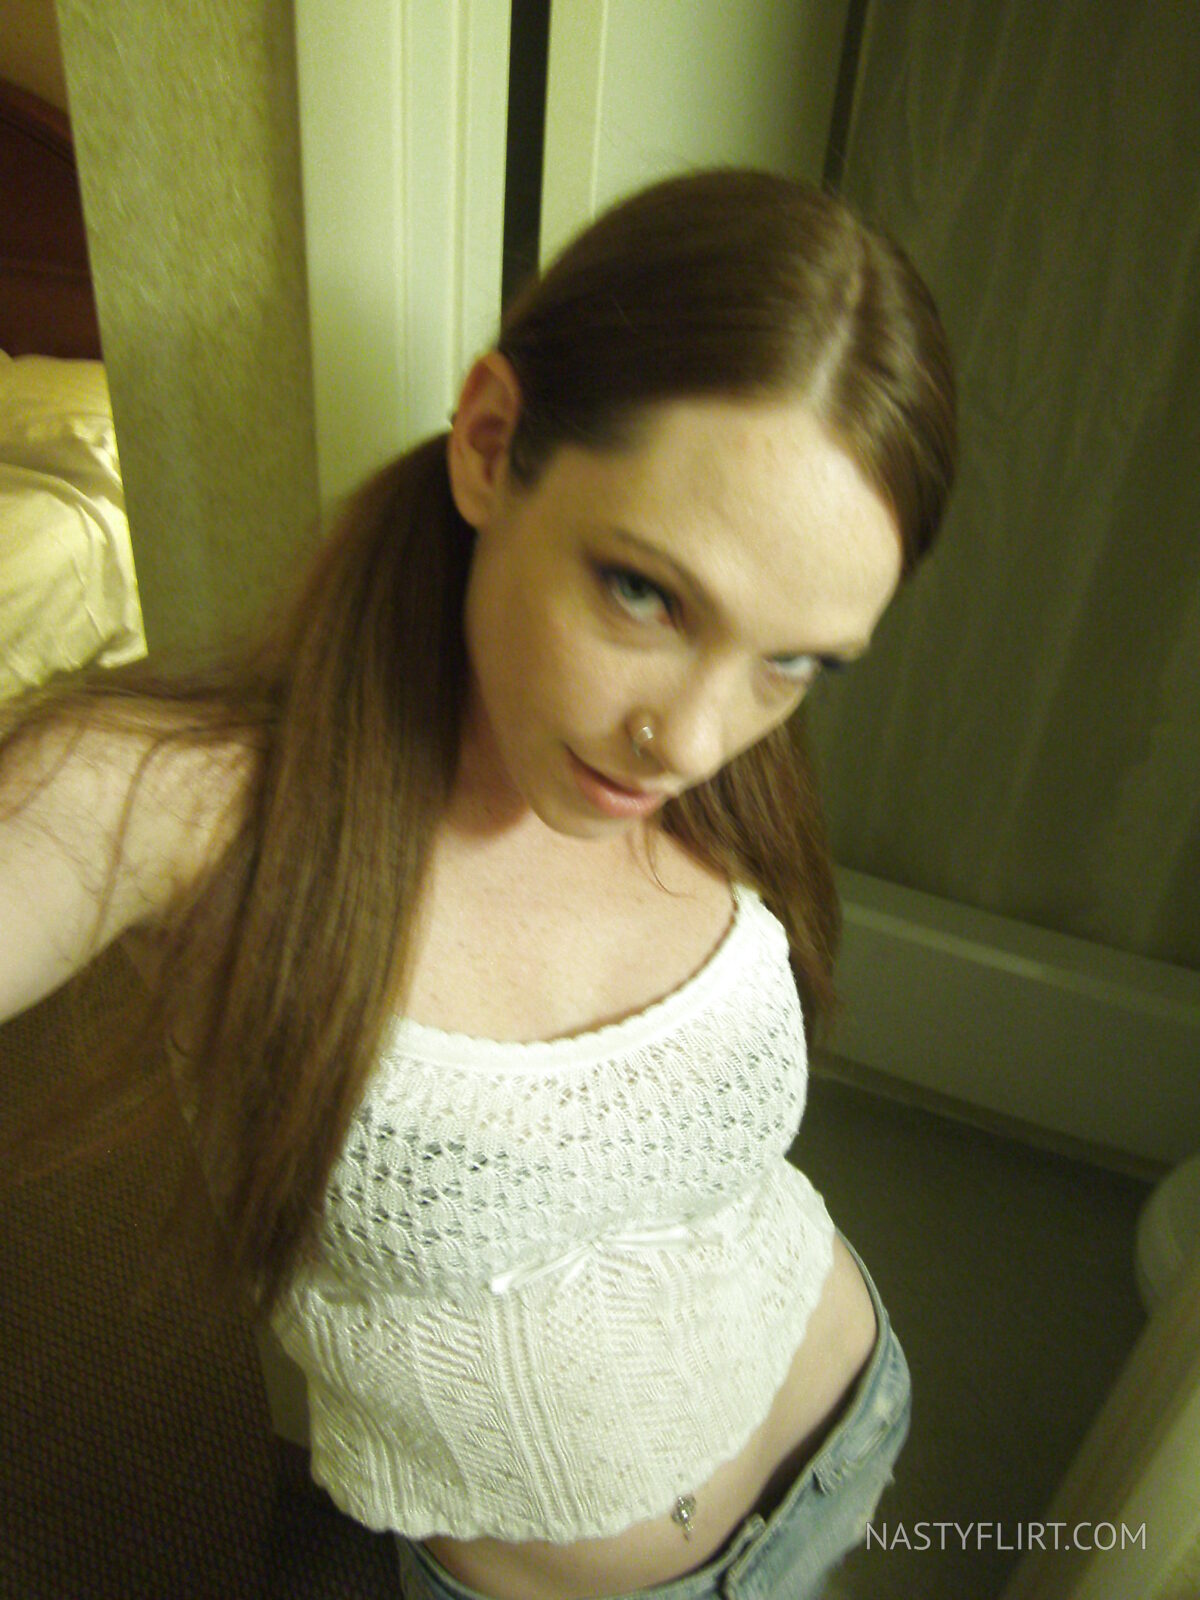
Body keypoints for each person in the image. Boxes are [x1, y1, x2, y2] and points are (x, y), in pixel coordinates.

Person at [0, 168, 956, 1600]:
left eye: (796, 661)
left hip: (846, 1421)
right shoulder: (187, 808)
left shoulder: (721, 760)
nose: (696, 740)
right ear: (490, 443)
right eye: (646, 592)